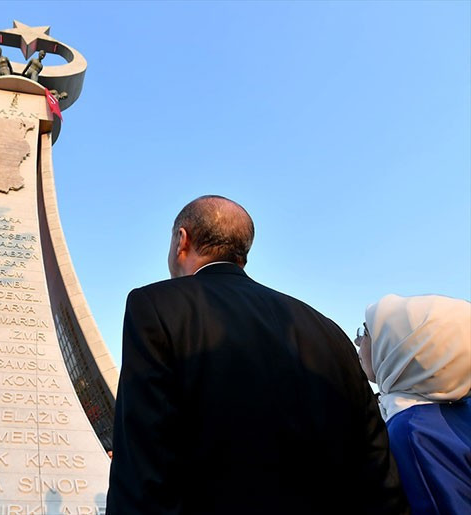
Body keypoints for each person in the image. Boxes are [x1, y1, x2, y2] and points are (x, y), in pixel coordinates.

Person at [107, 195, 408, 514]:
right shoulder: (326, 330)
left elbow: (143, 468)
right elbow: (377, 469)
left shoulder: (156, 307)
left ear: (182, 240)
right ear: (242, 252)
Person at [356, 294, 471, 515]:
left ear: (404, 347)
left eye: (366, 332)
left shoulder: (412, 433)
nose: (357, 341)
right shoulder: (460, 410)